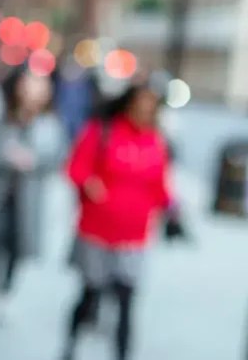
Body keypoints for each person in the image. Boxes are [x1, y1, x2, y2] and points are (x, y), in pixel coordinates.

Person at [60, 70, 178, 360]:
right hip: (98, 229)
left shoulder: (155, 141)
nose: (146, 110)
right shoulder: (103, 130)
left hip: (135, 234)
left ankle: (122, 353)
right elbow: (76, 167)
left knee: (127, 301)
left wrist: (174, 212)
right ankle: (70, 346)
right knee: (90, 294)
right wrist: (89, 183)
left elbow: (160, 185)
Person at [0, 65, 64, 323]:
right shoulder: (3, 116)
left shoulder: (50, 123)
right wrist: (7, 156)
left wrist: (34, 161)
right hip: (0, 192)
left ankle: (6, 290)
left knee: (18, 244)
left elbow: (57, 158)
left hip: (28, 196)